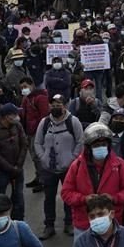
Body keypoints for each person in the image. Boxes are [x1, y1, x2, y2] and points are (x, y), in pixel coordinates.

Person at [61, 123, 124, 238]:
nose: (100, 147)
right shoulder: (77, 166)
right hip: (84, 225)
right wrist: (84, 199)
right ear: (88, 147)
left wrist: (113, 198)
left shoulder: (119, 164)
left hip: (112, 224)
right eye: (96, 145)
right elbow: (66, 193)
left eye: (103, 144)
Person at [33, 93, 84, 239]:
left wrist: (73, 159)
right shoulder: (44, 123)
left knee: (69, 197)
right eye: (53, 104)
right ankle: (49, 226)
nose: (55, 107)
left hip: (69, 167)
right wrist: (43, 158)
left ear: (65, 106)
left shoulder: (73, 122)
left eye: (59, 104)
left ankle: (69, 223)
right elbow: (37, 142)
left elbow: (81, 142)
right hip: (49, 168)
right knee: (48, 197)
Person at [0, 103, 27, 220]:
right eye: (14, 114)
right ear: (5, 117)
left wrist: (18, 165)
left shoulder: (17, 126)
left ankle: (19, 222)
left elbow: (24, 144)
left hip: (17, 169)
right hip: (0, 172)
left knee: (18, 197)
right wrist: (10, 168)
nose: (17, 116)